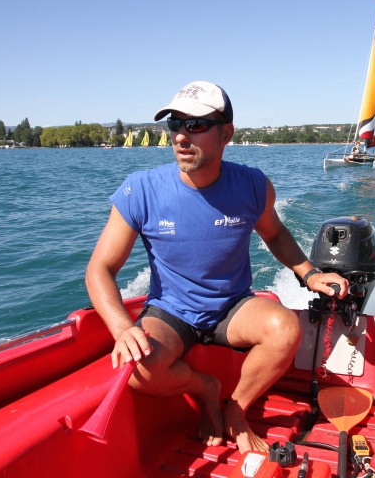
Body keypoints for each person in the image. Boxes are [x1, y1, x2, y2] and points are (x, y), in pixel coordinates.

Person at [85, 80, 349, 455]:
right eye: (174, 125)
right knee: (140, 371)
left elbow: (274, 233)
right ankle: (204, 388)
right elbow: (100, 268)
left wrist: (308, 272)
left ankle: (236, 410)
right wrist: (121, 327)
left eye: (195, 126)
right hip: (171, 310)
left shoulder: (253, 185)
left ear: (227, 133)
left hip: (232, 306)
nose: (180, 137)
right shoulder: (140, 190)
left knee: (285, 330)